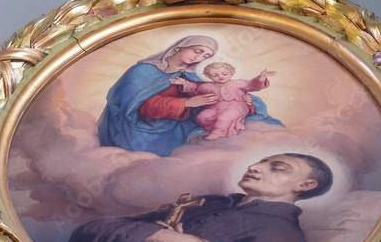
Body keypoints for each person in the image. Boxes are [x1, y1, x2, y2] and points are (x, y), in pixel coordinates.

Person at [68, 153, 333, 242]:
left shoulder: (279, 236)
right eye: (260, 161)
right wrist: (159, 236)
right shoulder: (207, 204)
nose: (254, 166)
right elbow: (86, 234)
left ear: (305, 185)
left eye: (277, 168)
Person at [96, 35, 282, 156]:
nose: (199, 58)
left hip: (180, 126)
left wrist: (247, 102)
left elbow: (217, 94)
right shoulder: (143, 72)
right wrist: (187, 103)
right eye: (197, 51)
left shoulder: (190, 76)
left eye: (205, 56)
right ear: (180, 47)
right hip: (140, 131)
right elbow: (136, 107)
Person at [170, 62, 277, 140]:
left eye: (224, 74)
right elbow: (195, 88)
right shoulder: (207, 86)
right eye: (215, 75)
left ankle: (219, 132)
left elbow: (253, 85)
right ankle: (212, 129)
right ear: (208, 76)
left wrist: (261, 78)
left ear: (232, 73)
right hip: (216, 106)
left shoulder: (238, 83)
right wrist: (184, 83)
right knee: (202, 116)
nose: (220, 77)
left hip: (237, 105)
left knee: (225, 117)